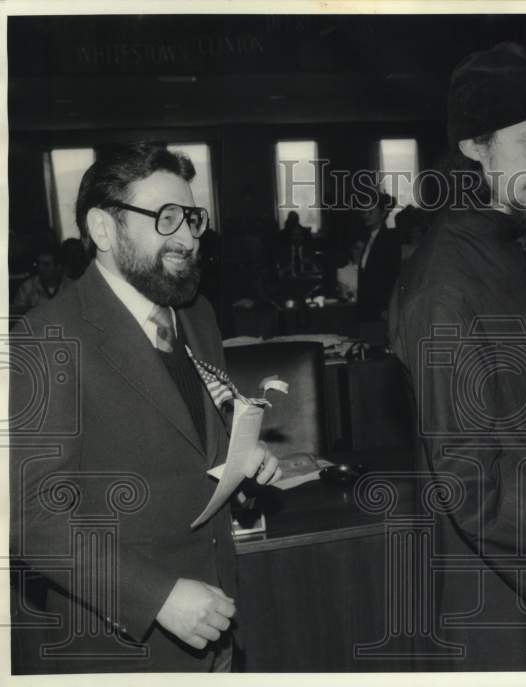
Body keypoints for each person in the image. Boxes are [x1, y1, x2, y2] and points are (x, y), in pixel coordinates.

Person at [9, 142, 281, 673]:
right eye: (166, 218)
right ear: (104, 230)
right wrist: (156, 596)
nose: (187, 237)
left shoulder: (197, 316)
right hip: (125, 650)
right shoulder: (46, 338)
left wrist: (240, 464)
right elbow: (30, 519)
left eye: (192, 218)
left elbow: (190, 444)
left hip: (218, 628)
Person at [388, 43, 526, 669]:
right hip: (507, 596)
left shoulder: (492, 244)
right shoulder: (447, 279)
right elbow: (468, 477)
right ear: (474, 147)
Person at [356, 191, 400, 323]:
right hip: (367, 308)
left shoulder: (390, 240)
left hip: (381, 310)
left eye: (370, 212)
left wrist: (386, 308)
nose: (366, 216)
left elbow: (393, 277)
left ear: (383, 213)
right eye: (364, 212)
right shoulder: (368, 238)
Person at [11, 245, 63, 314]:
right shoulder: (27, 287)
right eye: (38, 263)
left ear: (58, 267)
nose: (40, 268)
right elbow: (16, 314)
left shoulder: (70, 286)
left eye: (46, 264)